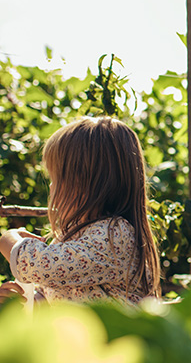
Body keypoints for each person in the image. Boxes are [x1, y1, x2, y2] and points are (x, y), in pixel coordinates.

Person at [0, 116, 161, 304]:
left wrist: (8, 239)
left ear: (83, 184)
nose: (51, 187)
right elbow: (58, 297)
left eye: (56, 178)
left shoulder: (114, 234)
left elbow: (42, 266)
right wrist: (26, 301)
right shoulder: (76, 238)